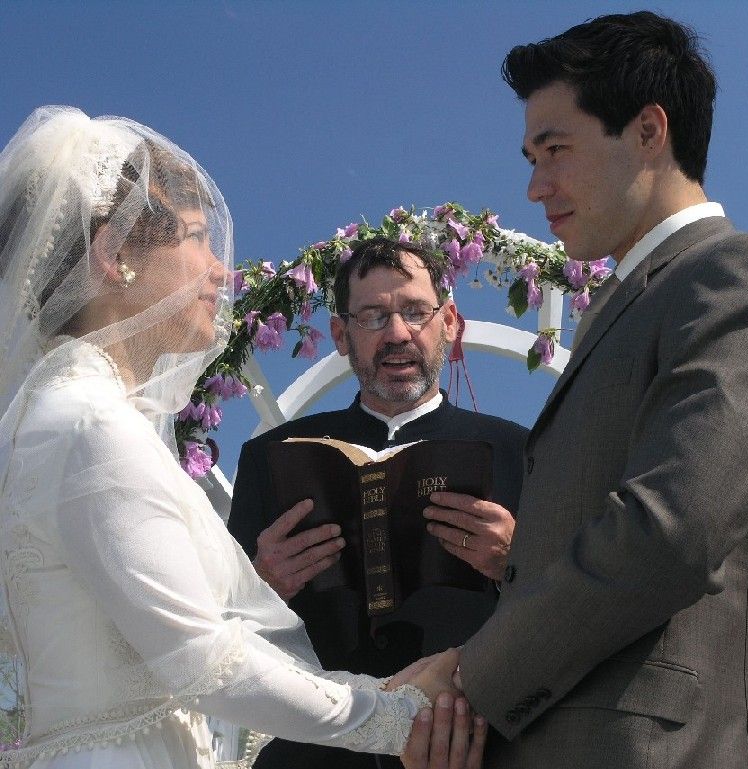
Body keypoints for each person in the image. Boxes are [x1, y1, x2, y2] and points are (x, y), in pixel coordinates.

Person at [0, 107, 467, 769]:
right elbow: (205, 661)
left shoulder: (52, 415)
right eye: (195, 237)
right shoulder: (88, 424)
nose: (222, 272)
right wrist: (395, 715)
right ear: (114, 255)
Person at [441, 10, 748, 768]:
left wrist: (471, 676)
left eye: (554, 150)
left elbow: (671, 529)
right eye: (529, 156)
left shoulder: (735, 275)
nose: (533, 185)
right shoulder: (621, 306)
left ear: (649, 131)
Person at [228, 236, 527, 768]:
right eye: (372, 317)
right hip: (313, 752)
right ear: (341, 336)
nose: (396, 334)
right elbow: (215, 632)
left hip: (473, 750)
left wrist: (517, 560)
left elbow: (568, 605)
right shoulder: (269, 459)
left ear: (451, 323)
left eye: (415, 312)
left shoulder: (521, 451)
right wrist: (259, 583)